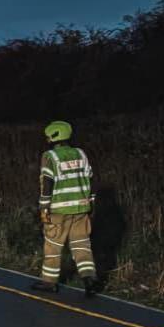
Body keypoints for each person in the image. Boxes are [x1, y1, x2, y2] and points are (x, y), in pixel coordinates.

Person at [32, 120, 98, 296]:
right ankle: (89, 278)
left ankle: (49, 282)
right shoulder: (80, 153)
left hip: (58, 210)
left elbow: (47, 182)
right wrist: (91, 203)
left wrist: (44, 207)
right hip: (81, 208)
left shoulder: (50, 156)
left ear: (52, 137)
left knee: (53, 245)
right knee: (81, 245)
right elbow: (90, 179)